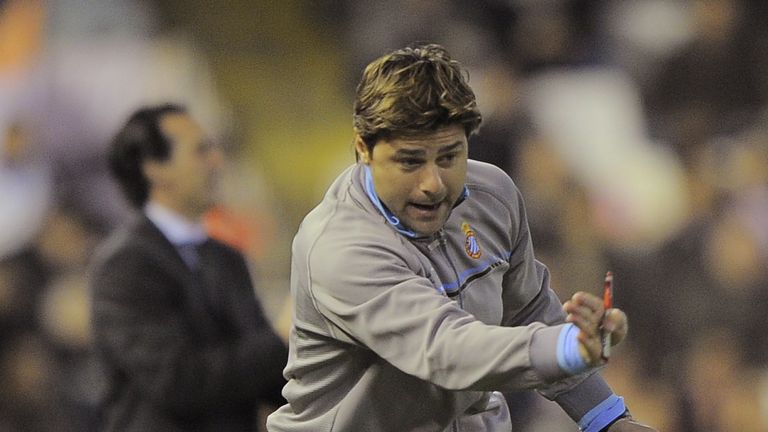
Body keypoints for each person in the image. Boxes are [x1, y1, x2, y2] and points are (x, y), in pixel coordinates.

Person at [266, 44, 656, 431]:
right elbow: (447, 350)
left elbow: (527, 312)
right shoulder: (338, 246)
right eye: (410, 161)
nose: (432, 184)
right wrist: (569, 347)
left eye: (450, 157)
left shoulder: (494, 196)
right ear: (363, 148)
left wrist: (607, 418)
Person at [90, 104, 288, 431]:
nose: (217, 162)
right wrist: (280, 339)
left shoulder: (227, 258)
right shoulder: (124, 266)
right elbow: (177, 382)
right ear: (155, 169)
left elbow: (264, 377)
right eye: (201, 151)